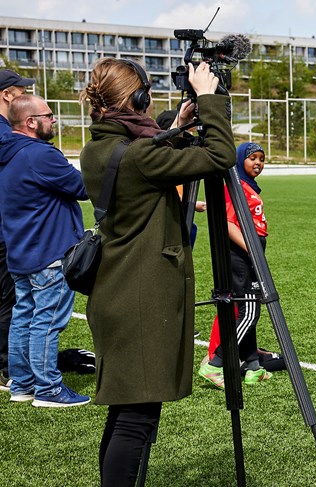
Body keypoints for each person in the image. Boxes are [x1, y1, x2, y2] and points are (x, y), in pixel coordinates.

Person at [79, 58, 234, 486]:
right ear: (140, 98)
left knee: (126, 411)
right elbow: (220, 156)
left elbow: (145, 155)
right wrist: (207, 98)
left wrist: (179, 127)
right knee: (137, 419)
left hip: (118, 291)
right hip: (141, 297)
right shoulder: (141, 156)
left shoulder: (97, 148)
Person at [0, 94, 89, 407]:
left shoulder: (8, 152)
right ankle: (48, 390)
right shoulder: (37, 154)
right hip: (48, 252)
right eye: (49, 115)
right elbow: (83, 187)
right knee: (46, 323)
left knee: (23, 318)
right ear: (31, 122)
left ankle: (22, 385)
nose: (54, 120)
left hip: (21, 251)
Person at [198, 142, 271, 388]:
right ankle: (215, 363)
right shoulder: (236, 186)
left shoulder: (247, 186)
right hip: (241, 257)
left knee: (249, 311)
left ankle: (253, 367)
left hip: (248, 254)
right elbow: (227, 223)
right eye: (253, 158)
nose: (258, 163)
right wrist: (251, 249)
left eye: (262, 158)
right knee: (249, 312)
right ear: (240, 160)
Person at [0, 70, 34, 391]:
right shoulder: (5, 133)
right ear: (9, 95)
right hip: (5, 230)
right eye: (22, 93)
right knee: (11, 301)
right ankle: (7, 368)